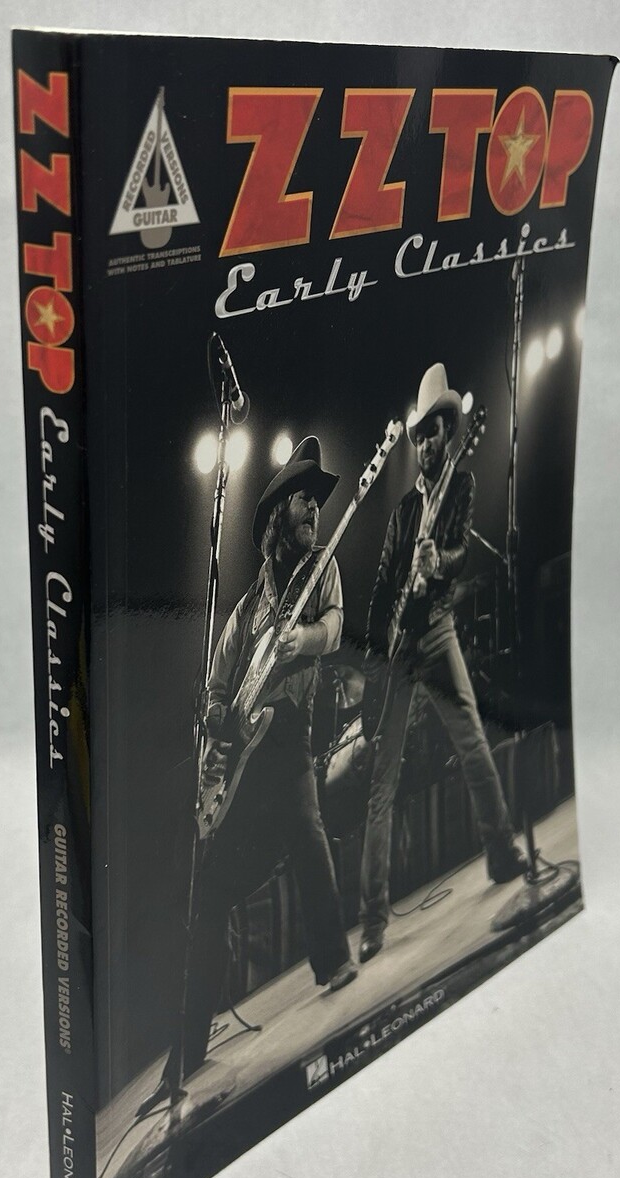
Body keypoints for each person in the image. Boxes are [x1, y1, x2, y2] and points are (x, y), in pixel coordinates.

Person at [138, 437, 357, 1116]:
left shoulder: (323, 567)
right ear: (275, 516)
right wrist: (216, 730)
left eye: (317, 502)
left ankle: (334, 962)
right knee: (208, 893)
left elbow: (337, 627)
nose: (313, 510)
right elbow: (214, 687)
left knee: (308, 830)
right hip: (243, 768)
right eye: (302, 500)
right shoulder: (244, 610)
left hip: (288, 742)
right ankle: (188, 1047)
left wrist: (303, 641)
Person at [358, 363, 527, 964]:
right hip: (398, 652)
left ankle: (501, 851)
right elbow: (383, 582)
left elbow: (458, 554)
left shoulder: (461, 487)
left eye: (435, 432)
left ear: (451, 432)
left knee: (473, 740)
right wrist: (376, 652)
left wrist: (439, 562)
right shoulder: (404, 511)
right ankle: (372, 920)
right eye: (420, 435)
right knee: (381, 787)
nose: (427, 443)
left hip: (436, 629)